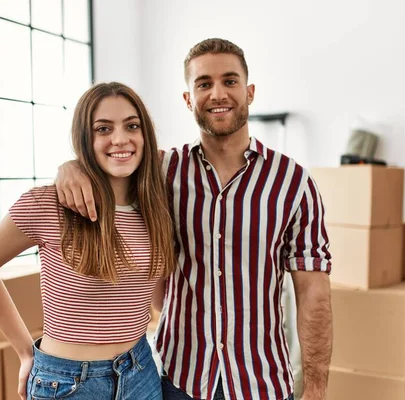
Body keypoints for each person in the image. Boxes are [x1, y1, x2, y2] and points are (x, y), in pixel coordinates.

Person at [56, 38, 333, 400]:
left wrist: (315, 388)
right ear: (188, 99)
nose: (218, 93)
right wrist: (70, 166)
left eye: (230, 81)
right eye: (204, 84)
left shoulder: (293, 183)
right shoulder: (161, 171)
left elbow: (313, 292)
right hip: (179, 381)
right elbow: (111, 156)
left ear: (249, 92)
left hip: (262, 382)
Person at [0, 82, 176, 400]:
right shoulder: (48, 204)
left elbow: (156, 298)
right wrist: (25, 351)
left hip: (140, 370)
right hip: (68, 383)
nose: (120, 139)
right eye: (103, 128)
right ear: (84, 139)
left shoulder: (155, 206)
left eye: (132, 125)